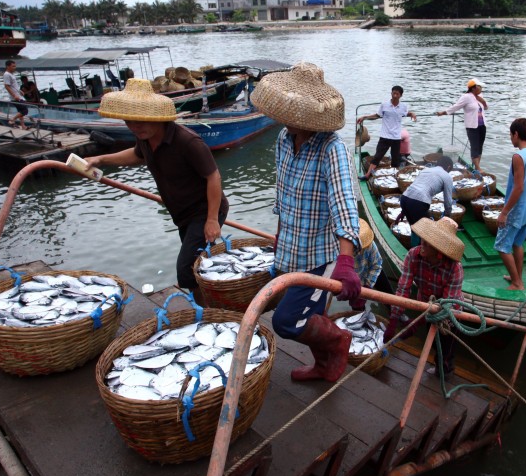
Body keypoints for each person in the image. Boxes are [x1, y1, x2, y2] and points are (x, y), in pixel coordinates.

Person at [249, 62, 363, 383]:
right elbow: (283, 198)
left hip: (319, 258)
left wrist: (345, 261)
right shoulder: (284, 140)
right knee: (310, 312)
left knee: (287, 322)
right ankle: (324, 365)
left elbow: (344, 205)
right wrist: (278, 237)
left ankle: (339, 341)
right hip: (290, 251)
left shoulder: (332, 149)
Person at [85, 78, 228, 293]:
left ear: (157, 118)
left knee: (186, 269)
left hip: (204, 210)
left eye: (140, 121)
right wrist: (101, 159)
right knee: (202, 264)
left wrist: (211, 219)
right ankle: (211, 306)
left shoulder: (188, 142)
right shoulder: (145, 138)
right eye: (129, 122)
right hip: (182, 214)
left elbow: (213, 177)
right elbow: (135, 155)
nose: (135, 127)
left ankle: (206, 311)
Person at [384, 217, 465, 374]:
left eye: (427, 244)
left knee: (446, 348)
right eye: (423, 240)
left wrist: (417, 322)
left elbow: (447, 305)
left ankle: (444, 371)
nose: (422, 245)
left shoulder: (455, 269)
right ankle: (439, 365)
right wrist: (394, 320)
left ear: (439, 252)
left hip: (450, 315)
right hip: (425, 305)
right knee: (434, 340)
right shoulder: (413, 256)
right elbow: (403, 289)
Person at [496, 118, 526, 291]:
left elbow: (518, 188)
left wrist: (504, 212)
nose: (510, 138)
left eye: (511, 134)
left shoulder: (518, 156)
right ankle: (517, 276)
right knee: (517, 244)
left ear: (516, 134)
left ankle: (517, 283)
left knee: (502, 246)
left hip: (518, 209)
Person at [357, 85, 417, 179]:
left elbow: (407, 113)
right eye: (394, 93)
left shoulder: (403, 106)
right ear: (391, 93)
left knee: (395, 160)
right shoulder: (384, 105)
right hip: (385, 136)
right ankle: (367, 175)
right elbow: (377, 115)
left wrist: (412, 114)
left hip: (396, 137)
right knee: (377, 157)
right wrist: (365, 117)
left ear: (401, 95)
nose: (395, 95)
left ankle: (394, 177)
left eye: (397, 94)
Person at [399, 155, 455, 246]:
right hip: (419, 202)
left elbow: (414, 189)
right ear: (448, 167)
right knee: (427, 231)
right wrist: (448, 216)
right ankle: (419, 253)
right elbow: (448, 201)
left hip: (404, 199)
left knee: (414, 228)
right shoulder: (447, 176)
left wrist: (403, 211)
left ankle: (414, 249)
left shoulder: (426, 170)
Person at [436, 78, 488, 170]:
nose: (481, 88)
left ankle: (477, 166)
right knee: (474, 147)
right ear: (473, 88)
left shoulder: (480, 96)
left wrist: (482, 101)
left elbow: (486, 108)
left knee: (480, 146)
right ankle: (477, 167)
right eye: (479, 87)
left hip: (482, 125)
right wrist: (443, 113)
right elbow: (456, 107)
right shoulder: (466, 97)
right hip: (472, 126)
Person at [349, 218, 383, 312]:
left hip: (365, 276)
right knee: (355, 306)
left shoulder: (369, 245)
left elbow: (377, 264)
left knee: (386, 292)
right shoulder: (339, 246)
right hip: (350, 280)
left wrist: (367, 287)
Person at [2, 60, 28, 129]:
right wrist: (14, 95)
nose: (14, 68)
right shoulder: (6, 74)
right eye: (13, 66)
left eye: (15, 66)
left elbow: (13, 85)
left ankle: (23, 126)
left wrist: (20, 91)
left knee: (21, 111)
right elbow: (6, 86)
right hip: (15, 97)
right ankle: (12, 120)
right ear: (8, 66)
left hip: (18, 95)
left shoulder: (11, 74)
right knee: (24, 111)